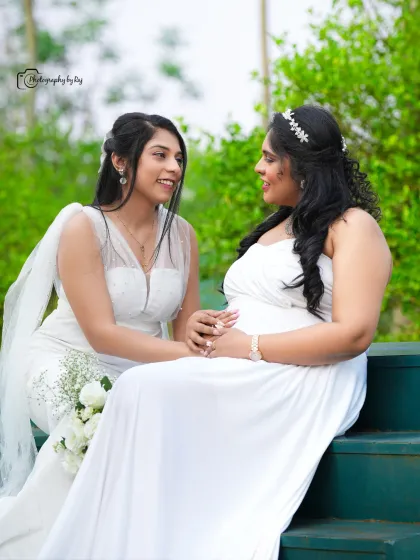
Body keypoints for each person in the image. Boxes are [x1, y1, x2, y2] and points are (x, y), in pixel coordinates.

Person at [38, 105, 392, 560]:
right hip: (241, 363)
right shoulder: (279, 227)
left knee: (143, 388)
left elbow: (354, 334)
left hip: (301, 373)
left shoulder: (353, 225)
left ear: (298, 163)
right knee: (138, 389)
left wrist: (248, 347)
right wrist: (202, 325)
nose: (258, 168)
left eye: (267, 157)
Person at [0, 112, 237, 558]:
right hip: (63, 360)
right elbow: (103, 334)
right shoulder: (83, 227)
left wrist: (204, 329)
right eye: (160, 155)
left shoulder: (183, 234)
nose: (174, 168)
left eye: (179, 159)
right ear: (121, 161)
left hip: (143, 370)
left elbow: (185, 325)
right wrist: (183, 352)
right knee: (95, 421)